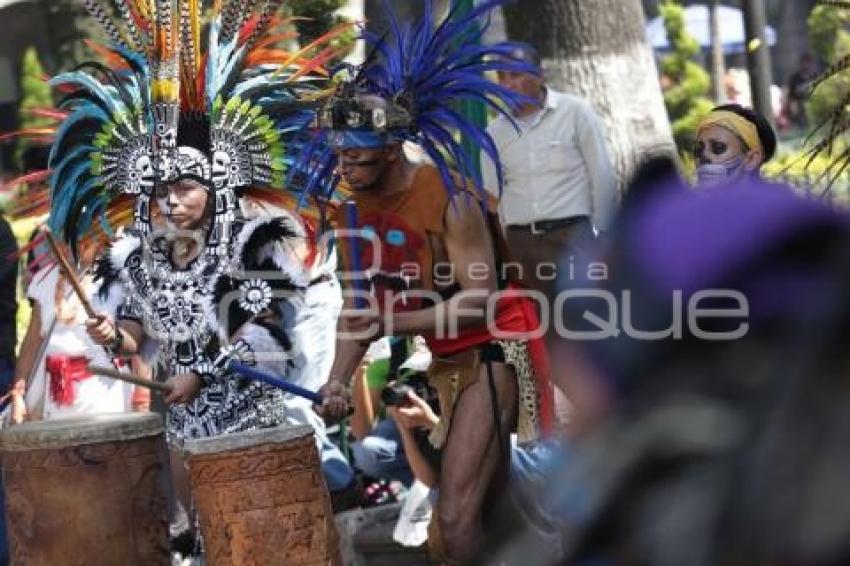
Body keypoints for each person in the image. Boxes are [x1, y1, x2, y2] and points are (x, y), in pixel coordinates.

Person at [13, 3, 348, 557]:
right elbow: (134, 338)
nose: (171, 199)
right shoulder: (133, 258)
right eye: (162, 188)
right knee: (197, 543)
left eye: (186, 186)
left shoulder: (261, 238)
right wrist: (109, 336)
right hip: (184, 434)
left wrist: (197, 368)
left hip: (255, 422)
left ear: (217, 185)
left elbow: (262, 330)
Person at [309, 5, 555, 563]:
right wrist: (338, 382)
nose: (344, 167)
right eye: (339, 155)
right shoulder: (352, 210)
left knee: (455, 517)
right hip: (444, 352)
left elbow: (481, 302)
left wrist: (393, 322)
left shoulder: (453, 198)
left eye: (356, 155)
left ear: (392, 148)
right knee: (466, 523)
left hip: (498, 346)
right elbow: (358, 306)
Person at [481, 42, 618, 303]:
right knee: (539, 326)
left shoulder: (575, 112)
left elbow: (601, 174)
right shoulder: (494, 133)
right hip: (522, 243)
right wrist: (504, 252)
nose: (508, 84)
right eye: (502, 77)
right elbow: (492, 198)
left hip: (573, 237)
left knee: (584, 318)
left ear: (540, 75)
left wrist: (603, 236)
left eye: (516, 74)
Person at [694, 103, 777, 188]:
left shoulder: (781, 200)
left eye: (718, 147)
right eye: (698, 150)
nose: (704, 157)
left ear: (752, 159)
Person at [785, 52, 818, 130]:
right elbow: (791, 95)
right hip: (800, 107)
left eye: (808, 62)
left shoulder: (815, 76)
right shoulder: (795, 78)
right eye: (804, 62)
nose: (806, 65)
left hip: (813, 106)